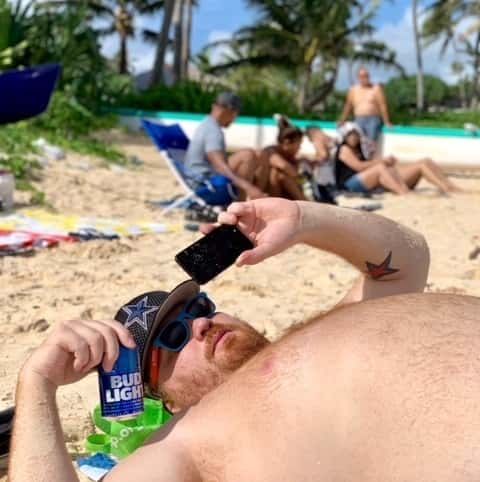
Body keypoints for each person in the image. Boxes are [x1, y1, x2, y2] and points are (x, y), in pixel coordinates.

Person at [12, 197, 464, 482]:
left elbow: (407, 257)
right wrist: (37, 382)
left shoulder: (325, 331)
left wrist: (305, 219)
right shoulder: (185, 444)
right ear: (164, 397)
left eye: (200, 308)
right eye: (173, 337)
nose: (200, 325)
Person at [184, 91, 266, 202]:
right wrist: (248, 187)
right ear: (228, 110)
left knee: (255, 154)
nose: (235, 119)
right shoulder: (213, 131)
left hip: (197, 178)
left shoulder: (207, 124)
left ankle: (256, 198)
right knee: (247, 155)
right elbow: (220, 166)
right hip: (203, 184)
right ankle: (240, 204)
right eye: (236, 114)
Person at [335, 122, 460, 195]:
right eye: (350, 135)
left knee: (424, 162)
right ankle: (403, 192)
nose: (354, 137)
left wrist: (384, 161)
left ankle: (448, 186)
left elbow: (370, 163)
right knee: (380, 167)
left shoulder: (361, 148)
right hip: (350, 185)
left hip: (370, 179)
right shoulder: (344, 149)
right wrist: (382, 161)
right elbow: (359, 167)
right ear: (344, 137)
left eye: (355, 134)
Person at [255, 116, 307, 200]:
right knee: (277, 173)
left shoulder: (290, 156)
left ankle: (303, 201)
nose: (300, 148)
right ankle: (304, 201)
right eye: (299, 144)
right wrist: (302, 180)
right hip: (265, 192)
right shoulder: (270, 151)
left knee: (282, 174)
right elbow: (284, 166)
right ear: (287, 143)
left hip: (282, 194)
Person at [338, 66, 392, 143]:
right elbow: (348, 106)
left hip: (373, 119)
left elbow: (382, 105)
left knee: (370, 143)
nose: (364, 78)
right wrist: (342, 119)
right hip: (358, 119)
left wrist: (387, 122)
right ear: (358, 77)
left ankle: (371, 155)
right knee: (358, 142)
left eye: (366, 75)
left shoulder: (376, 89)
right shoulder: (353, 90)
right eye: (362, 76)